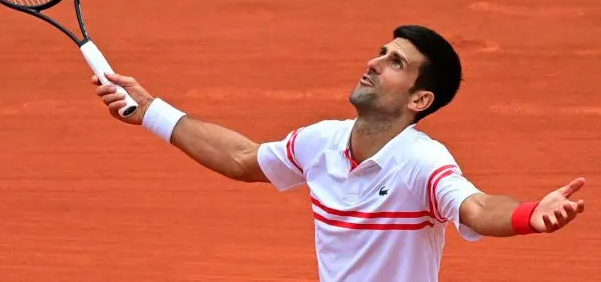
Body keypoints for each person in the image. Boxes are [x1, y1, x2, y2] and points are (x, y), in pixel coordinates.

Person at [92, 25, 586, 282]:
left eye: (395, 63)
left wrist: (526, 214)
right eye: (381, 52)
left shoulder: (422, 161)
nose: (373, 63)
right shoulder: (321, 142)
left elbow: (475, 207)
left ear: (419, 100)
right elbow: (244, 158)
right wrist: (152, 111)